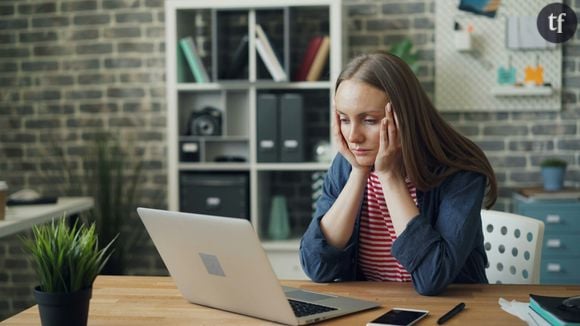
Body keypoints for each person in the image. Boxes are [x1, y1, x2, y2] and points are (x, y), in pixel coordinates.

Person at [299, 52, 498, 296]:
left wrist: (390, 177)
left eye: (369, 120)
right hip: (374, 309)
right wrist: (359, 172)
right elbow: (316, 267)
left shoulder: (460, 171)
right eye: (344, 119)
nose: (353, 137)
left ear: (405, 117)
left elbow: (432, 278)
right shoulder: (348, 165)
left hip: (451, 313)